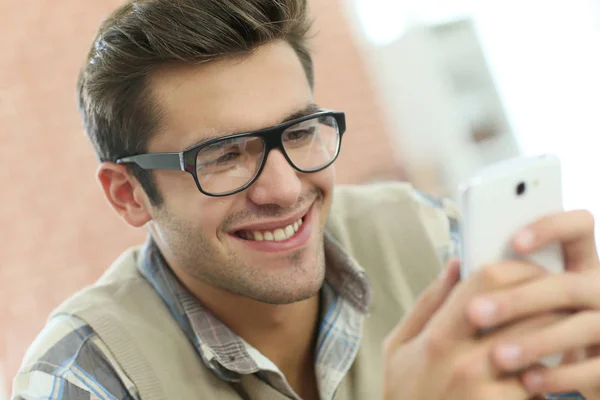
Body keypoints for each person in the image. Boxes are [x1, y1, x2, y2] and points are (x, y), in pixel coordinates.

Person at [11, 0, 600, 399]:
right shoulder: (83, 377)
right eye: (225, 156)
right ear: (129, 194)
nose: (287, 189)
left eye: (297, 133)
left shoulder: (430, 235)